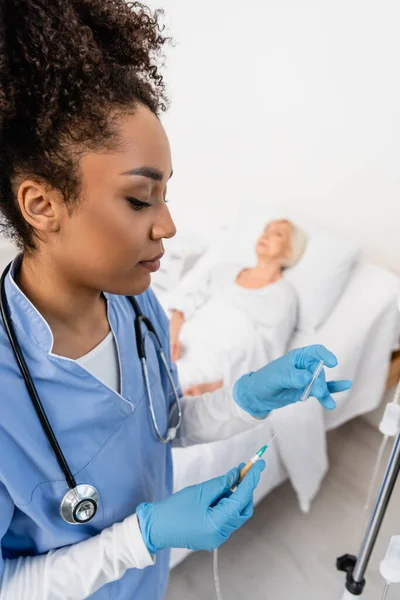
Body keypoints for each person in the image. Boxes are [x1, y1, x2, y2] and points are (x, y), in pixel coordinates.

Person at [0, 2, 351, 599]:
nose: (168, 225)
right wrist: (145, 535)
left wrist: (246, 398)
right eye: (140, 199)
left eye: (166, 195)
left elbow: (161, 426)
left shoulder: (136, 307)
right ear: (41, 206)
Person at [168, 219, 307, 396]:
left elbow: (264, 360)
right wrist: (171, 337)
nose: (266, 235)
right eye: (266, 230)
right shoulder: (223, 271)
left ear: (290, 250)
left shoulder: (282, 297)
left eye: (277, 234)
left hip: (207, 373)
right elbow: (182, 306)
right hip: (177, 347)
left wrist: (211, 388)